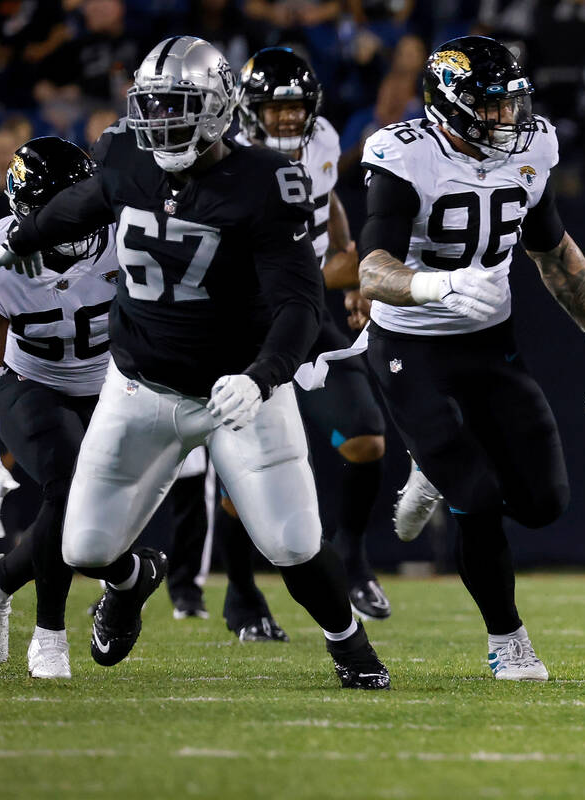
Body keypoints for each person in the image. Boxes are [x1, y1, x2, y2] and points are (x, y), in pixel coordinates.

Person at [0, 36, 389, 689]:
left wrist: (262, 378)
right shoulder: (123, 153)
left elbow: (300, 302)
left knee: (291, 543)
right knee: (84, 546)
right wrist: (28, 236)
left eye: (176, 106)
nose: (160, 121)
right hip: (140, 386)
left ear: (217, 107)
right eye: (151, 105)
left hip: (238, 391)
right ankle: (132, 584)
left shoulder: (265, 180)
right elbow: (85, 203)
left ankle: (349, 642)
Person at [359, 36, 585, 680]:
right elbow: (371, 271)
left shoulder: (533, 146)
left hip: (488, 343)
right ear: (448, 107)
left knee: (543, 502)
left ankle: (432, 466)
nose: (508, 119)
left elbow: (554, 253)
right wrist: (436, 285)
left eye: (512, 104)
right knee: (475, 496)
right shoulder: (403, 156)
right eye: (491, 107)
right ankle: (508, 641)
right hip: (410, 344)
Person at [234, 46, 392, 623]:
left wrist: (350, 266)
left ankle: (352, 555)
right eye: (275, 109)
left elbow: (326, 202)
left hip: (305, 311)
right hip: (245, 318)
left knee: (365, 439)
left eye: (297, 106)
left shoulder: (322, 140)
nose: (289, 118)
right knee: (239, 466)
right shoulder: (225, 158)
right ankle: (241, 592)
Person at [0, 136, 118, 679]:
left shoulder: (127, 229)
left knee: (98, 524)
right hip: (33, 382)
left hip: (113, 385)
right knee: (68, 486)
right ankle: (50, 634)